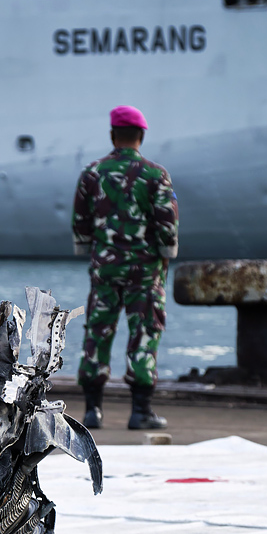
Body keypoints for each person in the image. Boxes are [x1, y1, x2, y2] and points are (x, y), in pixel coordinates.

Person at [71, 105, 178, 429]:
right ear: (141, 136)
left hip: (105, 270)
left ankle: (92, 411)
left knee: (97, 333)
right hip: (144, 273)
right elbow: (166, 224)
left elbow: (81, 222)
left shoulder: (92, 173)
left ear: (112, 135)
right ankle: (141, 412)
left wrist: (90, 249)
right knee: (145, 334)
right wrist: (165, 253)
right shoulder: (156, 175)